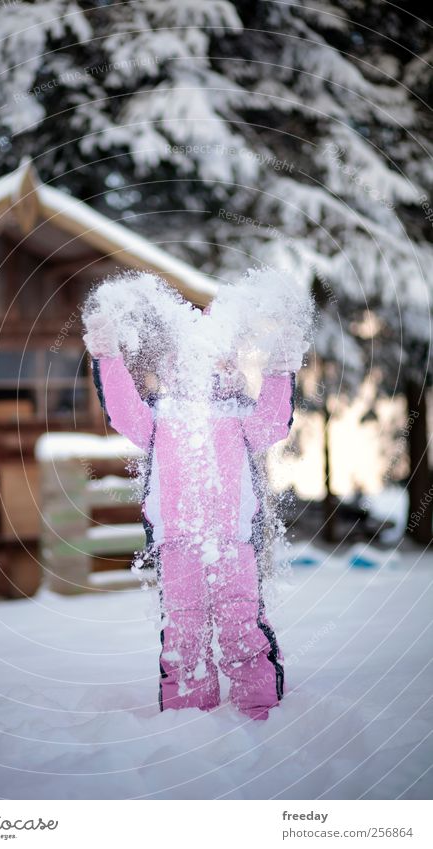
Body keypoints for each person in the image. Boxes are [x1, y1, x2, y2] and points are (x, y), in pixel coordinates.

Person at [83, 291, 304, 720]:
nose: (207, 367)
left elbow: (275, 423)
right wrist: (107, 357)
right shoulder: (160, 415)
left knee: (241, 626)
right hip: (177, 544)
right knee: (184, 633)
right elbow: (124, 413)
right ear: (175, 363)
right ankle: (187, 719)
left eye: (218, 358)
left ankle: (259, 712)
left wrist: (281, 367)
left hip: (233, 543)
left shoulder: (240, 417)